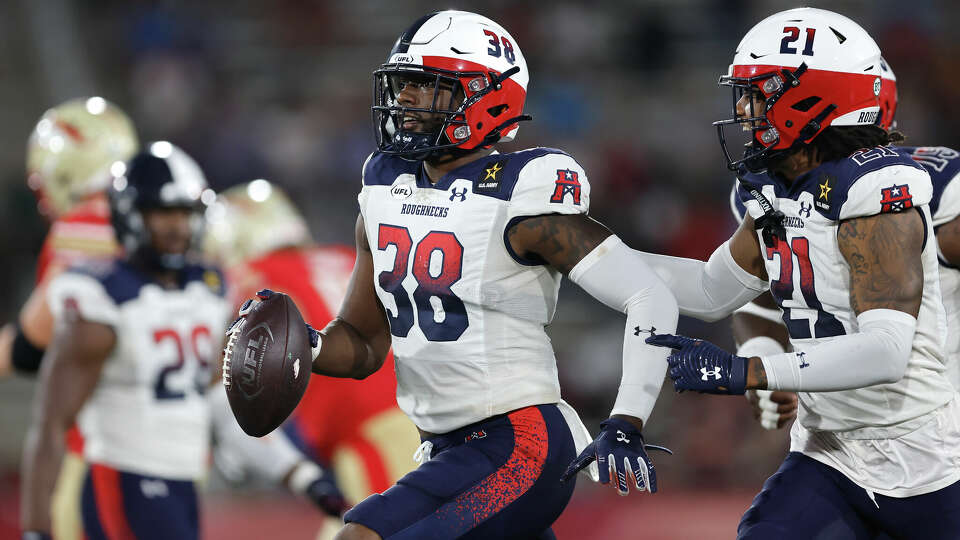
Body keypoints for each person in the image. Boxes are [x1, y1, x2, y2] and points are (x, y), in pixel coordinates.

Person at [229, 10, 678, 540]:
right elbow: (361, 344)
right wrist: (303, 346)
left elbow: (649, 294)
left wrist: (627, 418)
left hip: (519, 442)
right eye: (404, 84)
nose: (406, 99)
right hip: (444, 447)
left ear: (487, 97)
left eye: (428, 84)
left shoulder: (521, 192)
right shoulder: (384, 187)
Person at [641, 8, 960, 539]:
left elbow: (885, 349)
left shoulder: (881, 188)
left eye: (759, 93)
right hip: (830, 453)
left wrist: (752, 372)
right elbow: (709, 290)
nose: (743, 111)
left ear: (815, 100)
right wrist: (585, 258)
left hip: (929, 459)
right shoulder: (772, 190)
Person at [19, 143, 340, 540]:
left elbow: (217, 403)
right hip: (121, 479)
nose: (177, 227)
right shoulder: (100, 297)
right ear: (131, 215)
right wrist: (35, 528)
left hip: (184, 486)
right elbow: (51, 424)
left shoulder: (207, 291)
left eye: (185, 213)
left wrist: (301, 474)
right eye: (162, 213)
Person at [732, 58, 960, 430]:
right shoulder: (778, 185)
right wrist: (764, 353)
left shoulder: (924, 189)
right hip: (834, 433)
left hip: (930, 432)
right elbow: (758, 291)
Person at [206, 180, 421, 537]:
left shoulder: (254, 280)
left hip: (370, 433)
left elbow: (226, 373)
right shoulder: (346, 257)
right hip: (421, 413)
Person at [2, 97, 138, 540]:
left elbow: (31, 343)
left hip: (102, 447)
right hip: (172, 445)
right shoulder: (165, 218)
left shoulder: (86, 224)